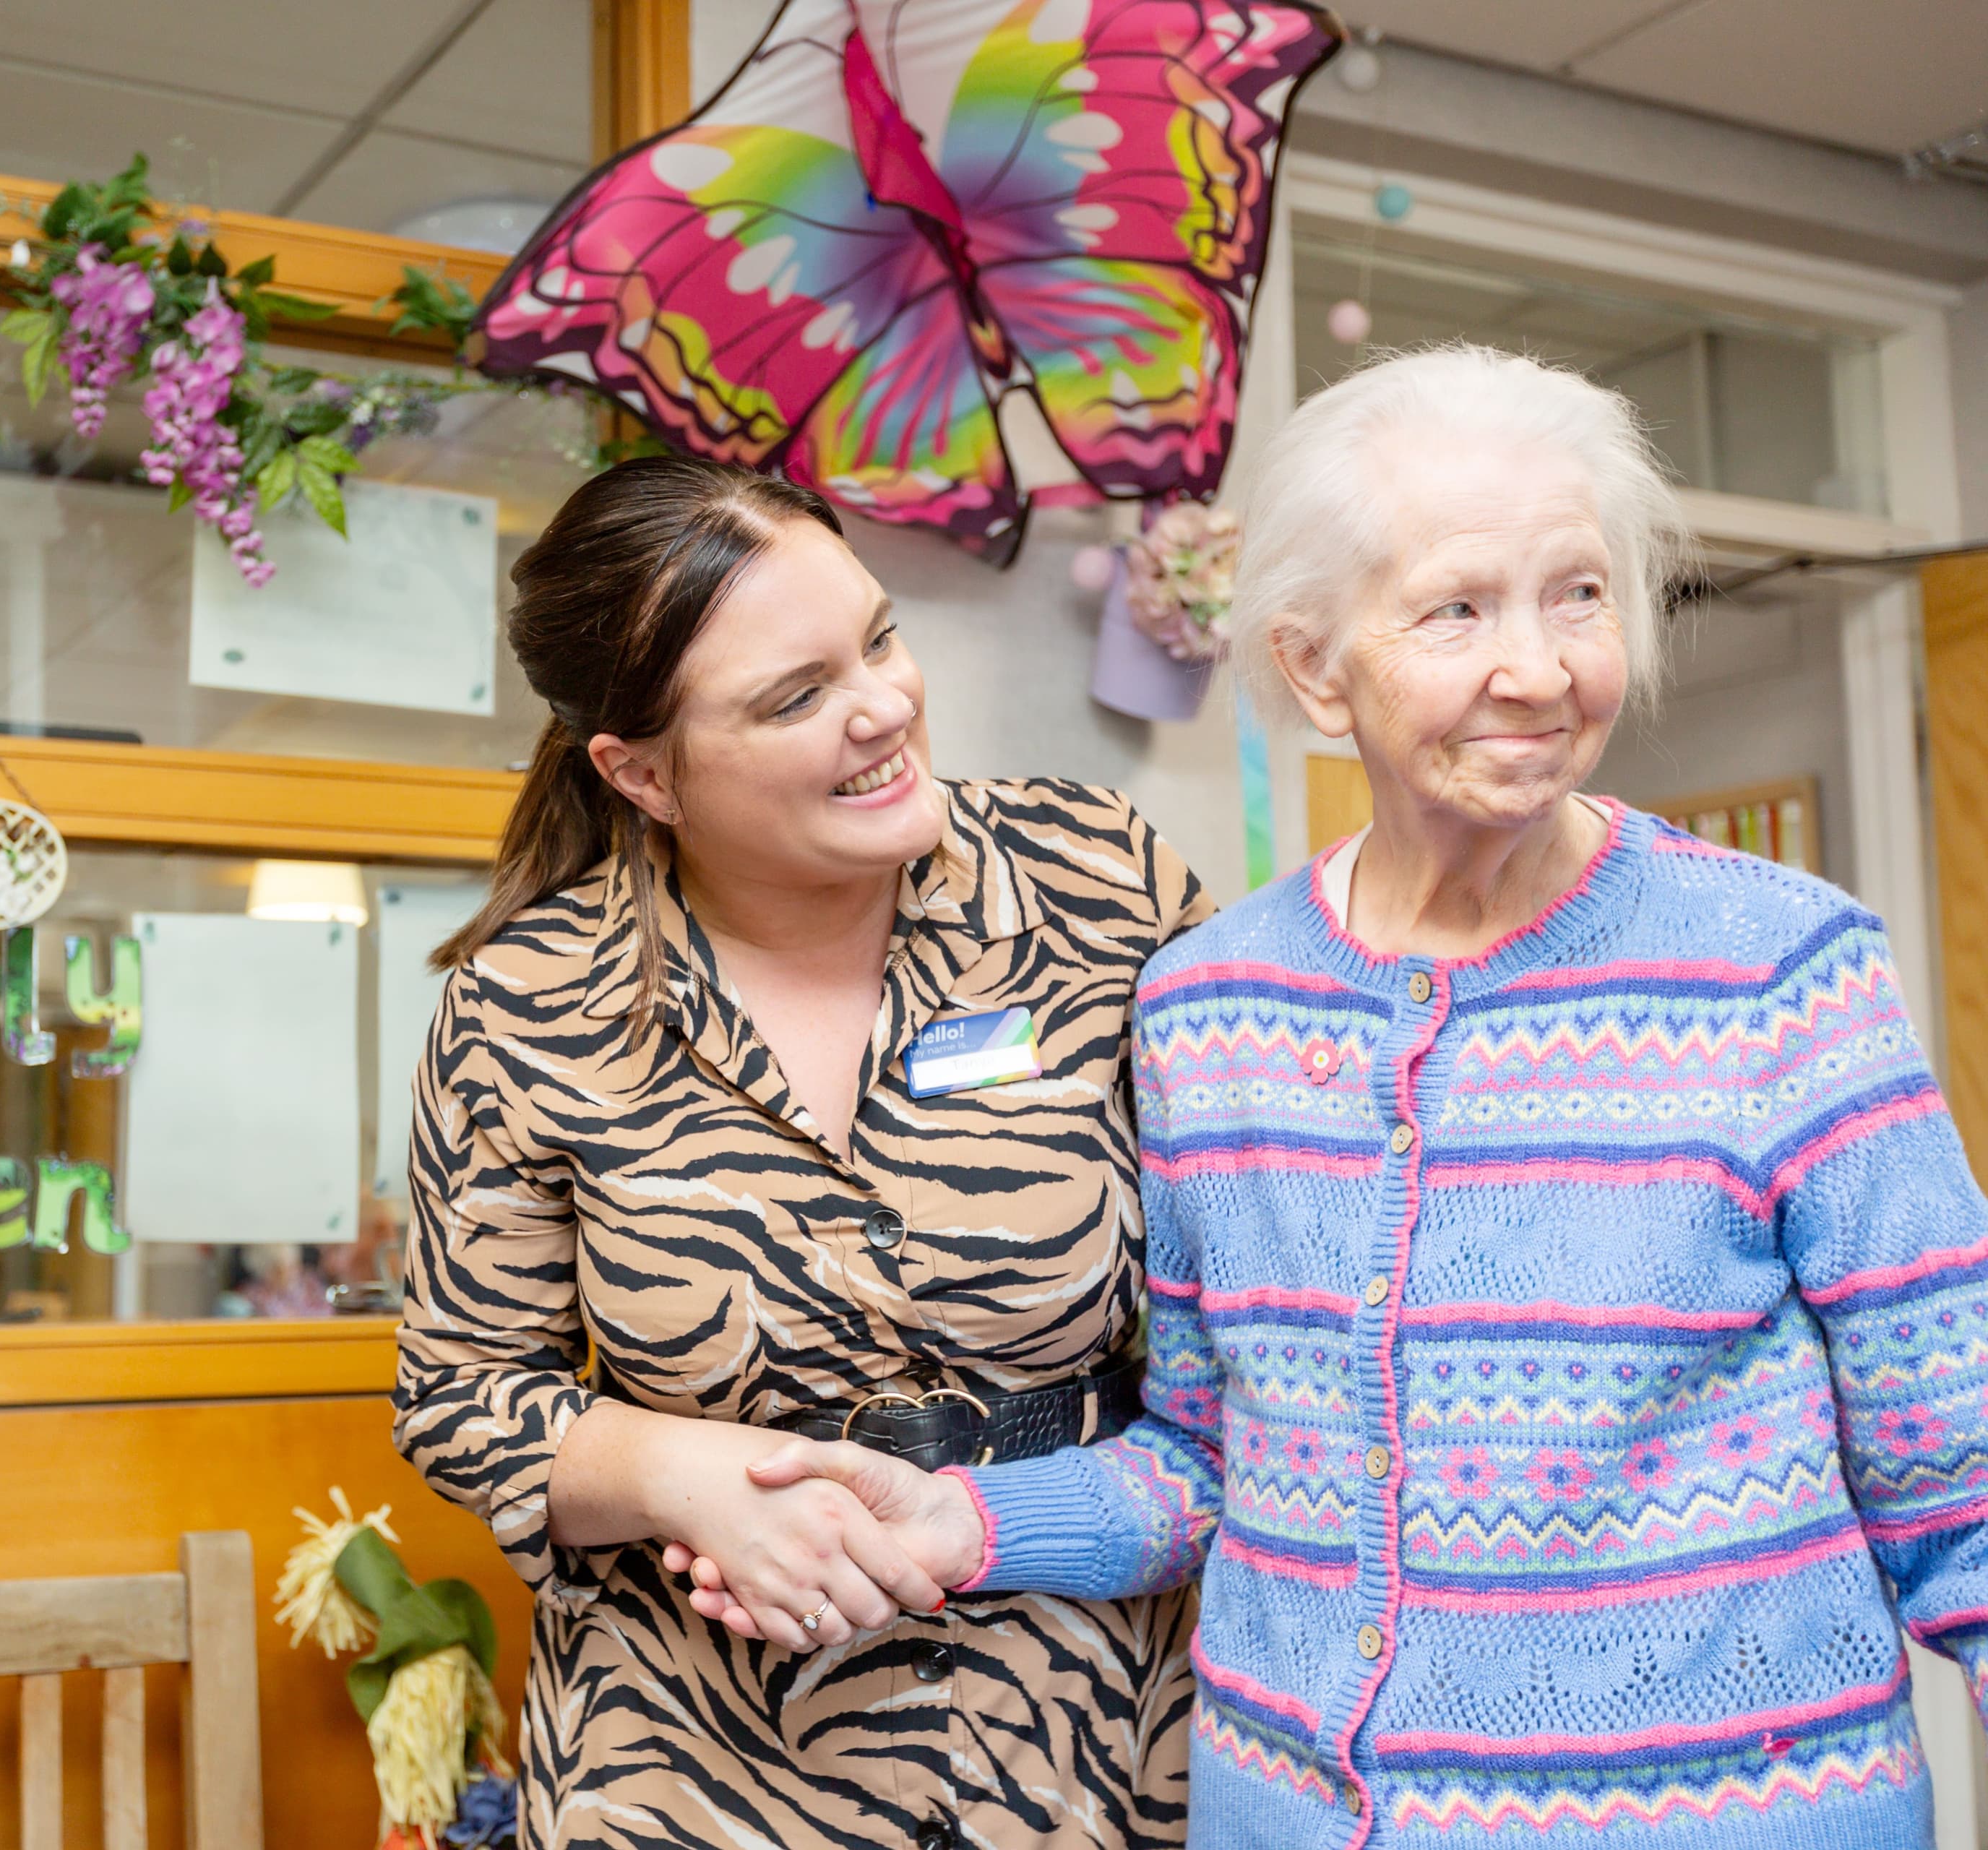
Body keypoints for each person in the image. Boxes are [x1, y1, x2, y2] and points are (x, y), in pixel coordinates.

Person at [687, 344, 1988, 1846]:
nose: (1543, 664)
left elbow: (1959, 1457)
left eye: (1581, 592)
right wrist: (967, 1519)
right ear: (1314, 668)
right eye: (1458, 608)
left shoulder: (1781, 968)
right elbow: (1213, 1454)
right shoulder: (1210, 1009)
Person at [392, 455, 1209, 1850]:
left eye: (880, 639)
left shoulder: (1096, 881)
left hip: (1090, 1737)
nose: (884, 709)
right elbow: (460, 1395)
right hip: (690, 1763)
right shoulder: (526, 1004)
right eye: (796, 697)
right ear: (642, 772)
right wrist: (677, 1475)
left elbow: (1250, 1303)